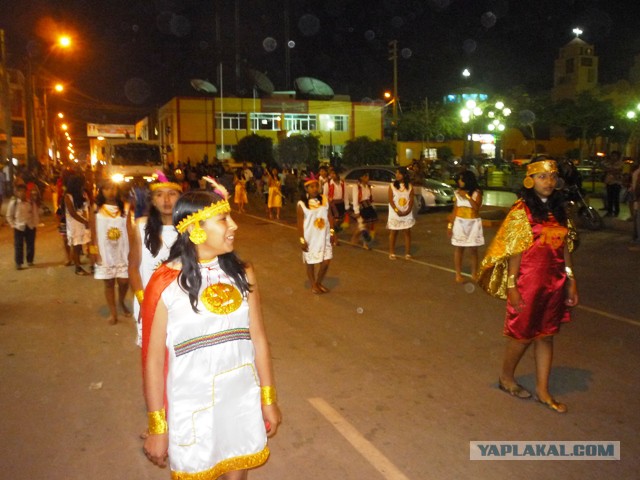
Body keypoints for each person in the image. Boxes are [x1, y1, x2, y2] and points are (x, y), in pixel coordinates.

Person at [141, 180, 281, 478]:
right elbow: (153, 360)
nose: (234, 226)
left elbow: (257, 338)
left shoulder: (242, 273)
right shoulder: (165, 283)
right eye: (223, 219)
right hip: (192, 404)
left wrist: (267, 400)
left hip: (241, 398)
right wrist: (158, 426)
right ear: (195, 229)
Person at [478, 157, 579, 414]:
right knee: (521, 336)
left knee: (546, 335)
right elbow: (514, 251)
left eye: (552, 176)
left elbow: (565, 247)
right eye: (542, 177)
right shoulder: (521, 211)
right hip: (528, 282)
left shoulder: (559, 210)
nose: (549, 182)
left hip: (555, 282)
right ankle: (506, 377)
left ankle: (543, 390)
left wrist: (571, 280)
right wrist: (512, 285)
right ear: (530, 179)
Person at [128, 173, 182, 345]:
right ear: (152, 200)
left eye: (172, 194)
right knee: (153, 357)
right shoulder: (141, 226)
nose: (166, 199)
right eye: (159, 195)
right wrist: (143, 301)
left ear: (181, 198)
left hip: (180, 304)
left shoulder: (190, 229)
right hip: (149, 301)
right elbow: (133, 267)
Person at [90, 181, 131, 325]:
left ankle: (121, 301)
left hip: (122, 251)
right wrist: (94, 252)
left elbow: (130, 230)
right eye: (106, 189)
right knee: (108, 283)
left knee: (124, 281)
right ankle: (113, 313)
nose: (110, 192)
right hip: (104, 251)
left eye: (113, 188)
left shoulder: (125, 207)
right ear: (101, 191)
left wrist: (132, 251)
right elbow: (93, 232)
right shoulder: (96, 208)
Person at [297, 173, 335, 294]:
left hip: (324, 236)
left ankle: (318, 282)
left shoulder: (324, 199)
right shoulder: (301, 204)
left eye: (316, 186)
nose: (314, 189)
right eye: (311, 187)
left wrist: (333, 232)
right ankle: (313, 284)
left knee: (326, 262)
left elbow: (330, 216)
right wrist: (302, 240)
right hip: (311, 237)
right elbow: (299, 224)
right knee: (311, 263)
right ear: (306, 188)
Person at [448, 170, 484, 282]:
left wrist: (468, 196)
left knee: (473, 250)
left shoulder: (476, 193)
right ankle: (458, 274)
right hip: (460, 224)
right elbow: (455, 210)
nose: (459, 181)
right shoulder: (457, 193)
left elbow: (476, 208)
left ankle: (474, 272)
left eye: (461, 179)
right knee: (459, 248)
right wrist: (450, 225)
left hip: (473, 224)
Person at [6, 184, 39, 270]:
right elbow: (9, 216)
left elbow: (35, 214)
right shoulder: (14, 203)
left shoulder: (31, 202)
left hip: (30, 226)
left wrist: (35, 224)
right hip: (19, 226)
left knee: (30, 244)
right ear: (16, 193)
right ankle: (18, 263)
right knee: (18, 245)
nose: (22, 193)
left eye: (24, 191)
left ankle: (30, 260)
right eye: (20, 191)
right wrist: (13, 225)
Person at [64, 174, 92, 276]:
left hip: (85, 221)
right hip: (75, 224)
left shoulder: (83, 194)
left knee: (89, 242)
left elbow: (88, 207)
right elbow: (72, 212)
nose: (84, 185)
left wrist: (88, 220)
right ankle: (77, 267)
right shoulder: (68, 196)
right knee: (77, 246)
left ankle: (92, 263)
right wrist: (84, 221)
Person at [387, 167, 415, 259]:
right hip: (395, 213)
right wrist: (397, 211)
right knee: (394, 231)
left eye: (399, 173)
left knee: (407, 231)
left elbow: (411, 200)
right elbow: (391, 200)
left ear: (405, 175)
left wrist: (408, 210)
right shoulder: (392, 186)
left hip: (407, 212)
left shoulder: (410, 186)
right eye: (396, 173)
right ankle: (391, 252)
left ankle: (407, 253)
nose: (397, 175)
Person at [349, 171, 377, 249]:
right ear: (361, 177)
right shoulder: (356, 187)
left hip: (368, 207)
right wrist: (356, 211)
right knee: (362, 225)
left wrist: (373, 206)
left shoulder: (368, 186)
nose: (368, 178)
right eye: (366, 176)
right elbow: (355, 199)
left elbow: (370, 198)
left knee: (367, 225)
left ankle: (365, 244)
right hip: (361, 207)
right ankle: (354, 237)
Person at [324, 167, 348, 233]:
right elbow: (325, 196)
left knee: (341, 220)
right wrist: (326, 207)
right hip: (332, 204)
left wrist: (346, 206)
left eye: (334, 173)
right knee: (335, 221)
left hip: (341, 203)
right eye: (331, 173)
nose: (332, 175)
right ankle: (334, 237)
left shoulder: (342, 183)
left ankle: (333, 232)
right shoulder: (328, 184)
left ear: (338, 174)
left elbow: (345, 195)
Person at [602, 151, 623, 217]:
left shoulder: (620, 163)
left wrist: (609, 169)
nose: (613, 157)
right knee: (609, 198)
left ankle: (616, 211)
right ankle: (609, 211)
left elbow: (617, 171)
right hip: (609, 182)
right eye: (612, 155)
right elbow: (603, 167)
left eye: (615, 155)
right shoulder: (609, 163)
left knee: (615, 198)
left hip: (616, 183)